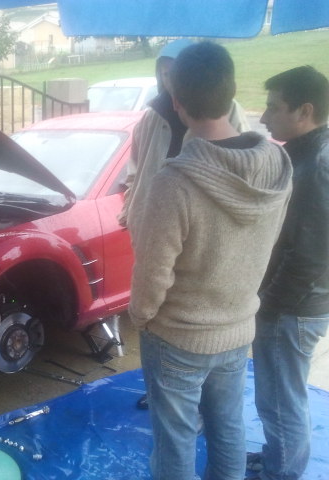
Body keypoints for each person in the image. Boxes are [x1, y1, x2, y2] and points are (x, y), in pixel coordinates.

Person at [128, 42, 292, 480]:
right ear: (232, 91)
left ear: (176, 101)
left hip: (177, 335)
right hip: (238, 326)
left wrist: (140, 316)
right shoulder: (278, 163)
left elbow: (152, 272)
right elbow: (270, 240)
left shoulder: (174, 181)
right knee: (228, 427)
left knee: (175, 440)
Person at [248, 66, 329, 480]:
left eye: (274, 108)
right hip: (297, 302)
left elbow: (313, 254)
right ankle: (277, 459)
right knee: (280, 396)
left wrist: (269, 304)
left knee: (281, 401)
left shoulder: (316, 165)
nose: (264, 118)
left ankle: (280, 474)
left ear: (305, 111)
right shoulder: (306, 153)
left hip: (293, 307)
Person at [119, 38, 251, 240]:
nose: (173, 82)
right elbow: (135, 169)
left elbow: (242, 169)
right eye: (166, 74)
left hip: (200, 231)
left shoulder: (229, 111)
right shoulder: (152, 116)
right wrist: (131, 207)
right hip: (150, 224)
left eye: (178, 74)